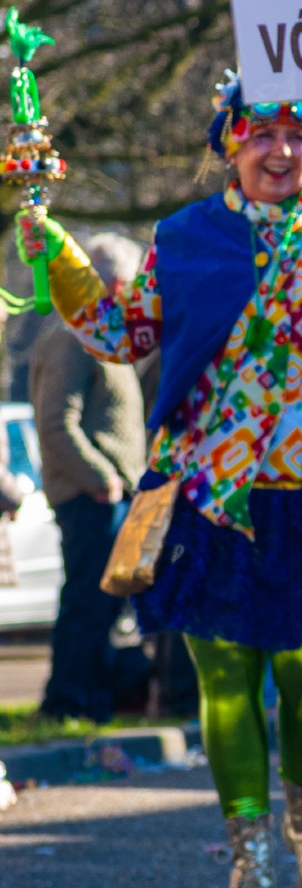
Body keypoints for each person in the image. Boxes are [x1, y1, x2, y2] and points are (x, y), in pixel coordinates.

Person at [22, 81, 302, 888]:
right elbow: (123, 332)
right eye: (261, 133)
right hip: (210, 498)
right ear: (231, 142)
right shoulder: (185, 237)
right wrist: (60, 257)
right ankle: (248, 853)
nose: (279, 150)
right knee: (225, 686)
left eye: (298, 134)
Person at [31, 233, 147, 723]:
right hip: (90, 495)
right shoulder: (72, 338)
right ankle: (67, 703)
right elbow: (55, 421)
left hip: (110, 493)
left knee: (104, 607)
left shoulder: (106, 339)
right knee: (86, 600)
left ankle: (93, 703)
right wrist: (102, 480)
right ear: (116, 284)